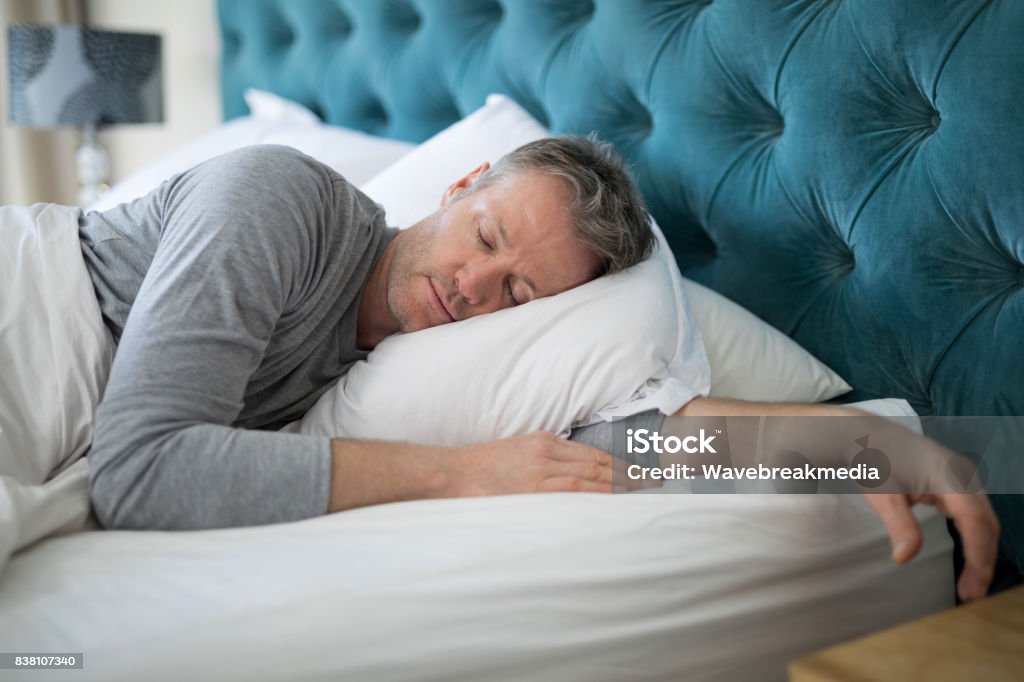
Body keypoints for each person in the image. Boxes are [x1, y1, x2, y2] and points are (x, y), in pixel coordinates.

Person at [81, 137, 997, 602]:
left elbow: (621, 441)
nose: (474, 288)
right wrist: (462, 476)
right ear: (459, 184)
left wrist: (850, 443)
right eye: (484, 236)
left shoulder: (391, 376)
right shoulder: (279, 198)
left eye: (520, 292)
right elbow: (141, 471)